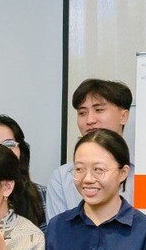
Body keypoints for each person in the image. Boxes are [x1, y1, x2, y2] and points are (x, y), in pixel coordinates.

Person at [45, 79, 134, 216]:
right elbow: (59, 228)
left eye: (99, 110)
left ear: (123, 116)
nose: (90, 120)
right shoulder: (62, 178)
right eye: (82, 113)